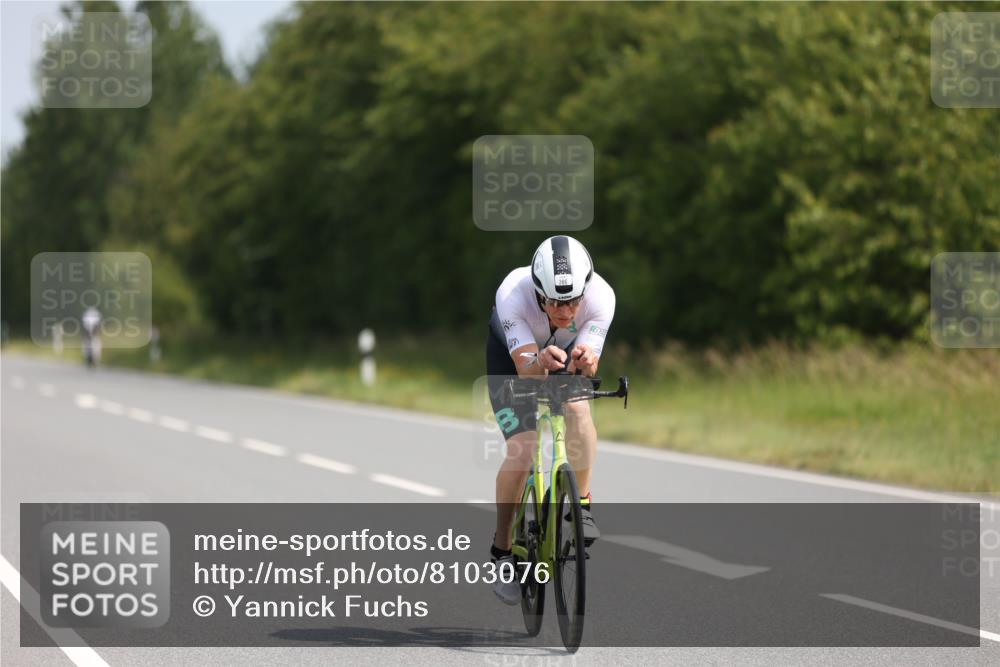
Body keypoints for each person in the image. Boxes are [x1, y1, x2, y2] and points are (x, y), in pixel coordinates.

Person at [486, 235, 615, 604]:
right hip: (514, 362)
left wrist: (586, 362)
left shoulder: (602, 297)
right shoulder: (513, 293)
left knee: (578, 407)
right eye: (556, 302)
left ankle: (582, 507)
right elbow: (525, 370)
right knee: (523, 449)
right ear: (538, 292)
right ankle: (502, 550)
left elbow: (588, 365)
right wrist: (539, 361)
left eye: (574, 301)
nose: (566, 310)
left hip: (560, 357)